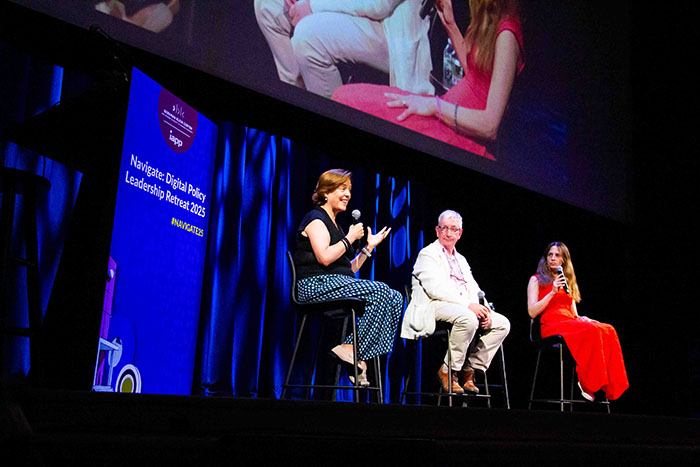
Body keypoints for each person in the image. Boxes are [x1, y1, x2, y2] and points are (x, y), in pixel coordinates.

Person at [333, 0, 524, 160]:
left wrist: (435, 106)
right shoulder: (491, 19)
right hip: (445, 110)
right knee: (346, 96)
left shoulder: (507, 34)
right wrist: (449, 24)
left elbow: (489, 126)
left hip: (458, 131)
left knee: (350, 103)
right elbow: (474, 71)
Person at [293, 169, 403, 386]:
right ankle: (351, 351)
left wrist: (368, 248)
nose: (348, 194)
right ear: (326, 192)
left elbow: (349, 270)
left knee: (396, 298)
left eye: (349, 190)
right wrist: (350, 237)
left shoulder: (336, 224)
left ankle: (356, 355)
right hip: (313, 285)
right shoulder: (316, 219)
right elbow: (324, 258)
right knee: (380, 290)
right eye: (342, 189)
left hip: (334, 283)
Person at [401, 210, 510, 393]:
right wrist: (469, 306)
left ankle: (470, 369)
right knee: (468, 318)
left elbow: (474, 288)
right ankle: (448, 370)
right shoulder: (427, 254)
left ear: (460, 233)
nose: (448, 233)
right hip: (433, 304)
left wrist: (483, 309)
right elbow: (436, 289)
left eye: (453, 229)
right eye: (444, 228)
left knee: (502, 324)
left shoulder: (461, 259)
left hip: (461, 307)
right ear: (437, 230)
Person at [253, 0, 433, 98]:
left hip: (391, 27)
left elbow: (379, 4)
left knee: (308, 36)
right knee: (267, 5)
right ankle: (296, 96)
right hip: (352, 8)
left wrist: (313, 6)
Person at [527, 242, 629, 401]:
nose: (553, 258)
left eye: (557, 255)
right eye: (550, 255)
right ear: (545, 258)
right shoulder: (536, 280)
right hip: (551, 324)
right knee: (592, 330)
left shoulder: (566, 280)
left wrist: (584, 319)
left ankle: (605, 383)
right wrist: (552, 292)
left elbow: (574, 313)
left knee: (608, 329)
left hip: (569, 322)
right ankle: (587, 381)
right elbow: (532, 312)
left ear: (563, 260)